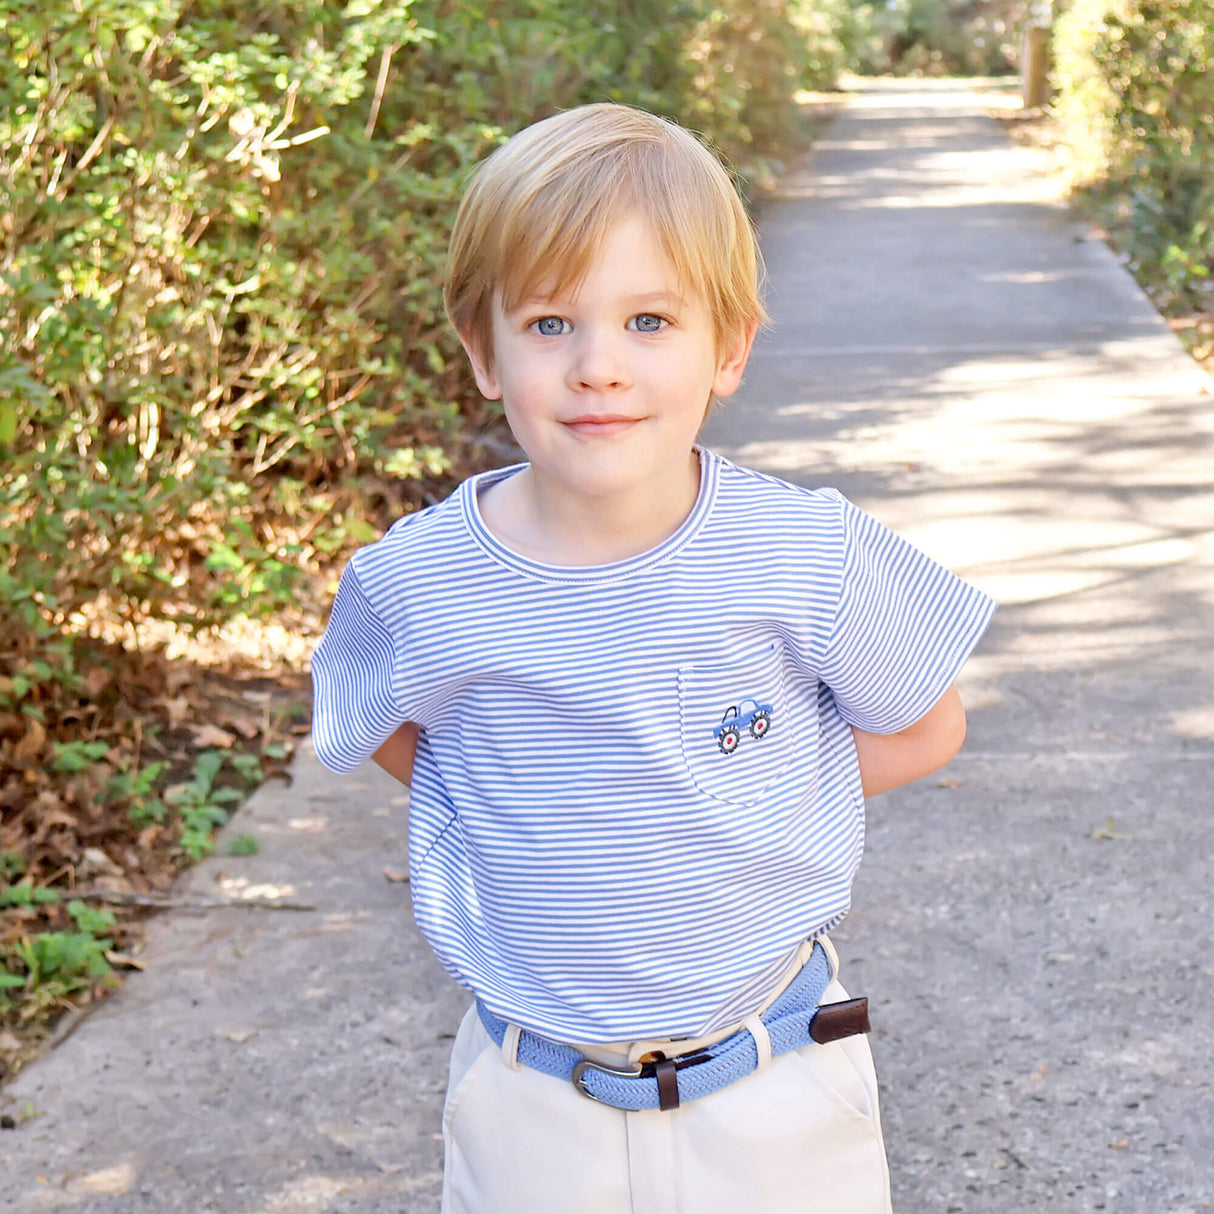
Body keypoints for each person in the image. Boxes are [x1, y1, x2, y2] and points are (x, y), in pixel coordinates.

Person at [311, 102, 996, 1213]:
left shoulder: (802, 551)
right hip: (533, 1093)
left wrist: (728, 794)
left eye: (648, 320)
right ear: (482, 350)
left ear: (728, 347)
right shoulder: (417, 581)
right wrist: (533, 805)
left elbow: (929, 723)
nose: (598, 367)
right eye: (548, 323)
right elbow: (377, 721)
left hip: (774, 1075)